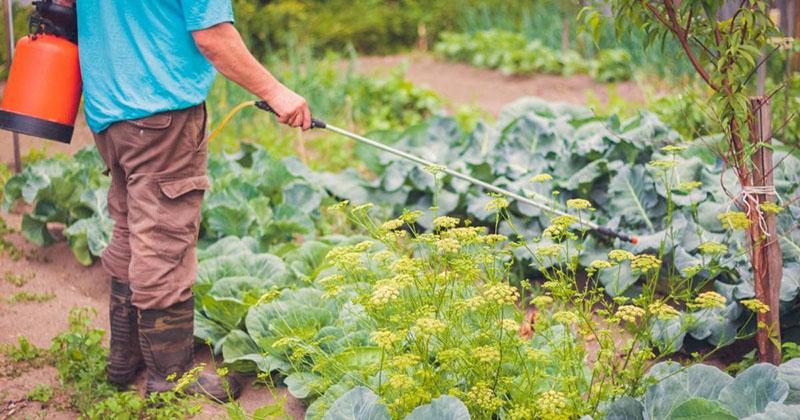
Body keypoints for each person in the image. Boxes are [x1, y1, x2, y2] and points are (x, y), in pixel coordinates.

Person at [55, 0, 312, 401]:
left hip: (109, 114)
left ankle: (126, 358)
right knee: (163, 240)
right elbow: (212, 37)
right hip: (161, 115)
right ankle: (170, 377)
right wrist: (277, 93)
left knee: (130, 229)